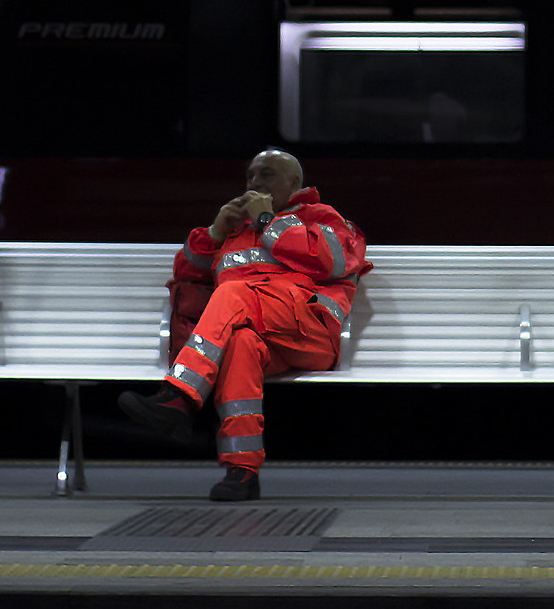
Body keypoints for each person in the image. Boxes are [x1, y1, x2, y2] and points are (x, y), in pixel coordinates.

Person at [118, 149, 371, 501]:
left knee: (233, 294)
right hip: (263, 331)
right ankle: (242, 471)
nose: (254, 183)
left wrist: (269, 219)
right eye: (251, 176)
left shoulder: (320, 216)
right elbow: (186, 273)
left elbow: (331, 261)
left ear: (294, 183)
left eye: (266, 175)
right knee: (240, 344)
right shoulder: (238, 229)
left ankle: (179, 396)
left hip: (309, 331)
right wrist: (215, 231)